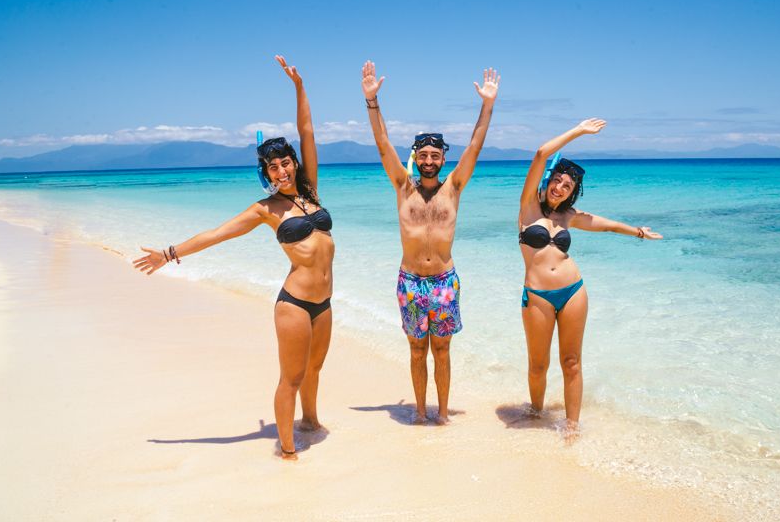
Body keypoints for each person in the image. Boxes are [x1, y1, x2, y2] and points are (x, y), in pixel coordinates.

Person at [132, 55, 333, 460]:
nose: (281, 171)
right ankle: (288, 452)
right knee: (291, 377)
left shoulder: (311, 191)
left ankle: (310, 422)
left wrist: (298, 86)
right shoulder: (264, 210)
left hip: (324, 303)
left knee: (314, 371)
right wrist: (169, 253)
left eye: (285, 163)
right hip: (294, 304)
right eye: (273, 167)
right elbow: (216, 234)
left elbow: (307, 130)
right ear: (266, 172)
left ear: (294, 163)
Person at [361, 60, 499, 424]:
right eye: (422, 155)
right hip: (409, 282)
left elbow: (475, 144)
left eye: (435, 155)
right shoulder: (403, 186)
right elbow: (382, 142)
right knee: (416, 350)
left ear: (442, 159)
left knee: (442, 350)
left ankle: (441, 414)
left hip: (443, 282)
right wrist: (372, 101)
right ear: (416, 159)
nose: (428, 160)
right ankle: (419, 414)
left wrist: (487, 104)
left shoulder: (453, 188)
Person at [518, 119, 662, 436]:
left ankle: (572, 427)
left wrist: (638, 232)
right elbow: (542, 153)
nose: (559, 187)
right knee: (538, 365)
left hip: (573, 292)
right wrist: (579, 132)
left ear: (571, 193)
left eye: (566, 186)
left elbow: (607, 224)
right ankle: (536, 413)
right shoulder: (528, 207)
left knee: (571, 362)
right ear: (548, 181)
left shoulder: (569, 217)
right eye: (556, 181)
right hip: (538, 296)